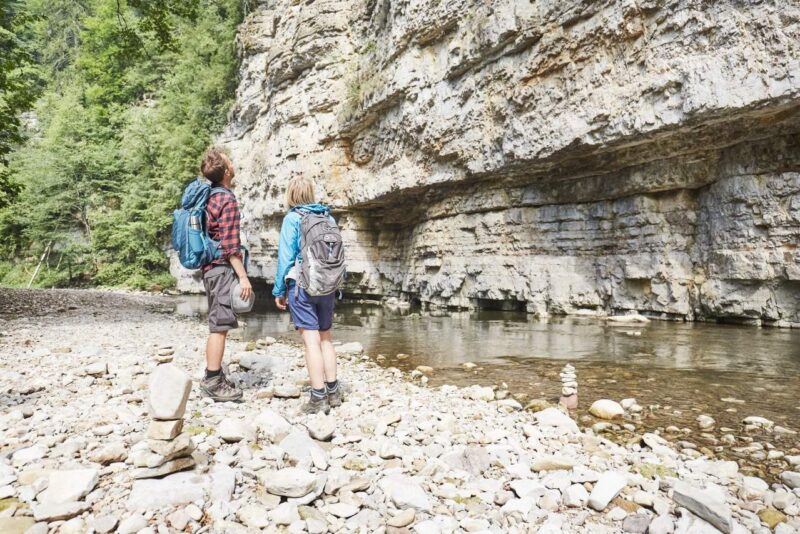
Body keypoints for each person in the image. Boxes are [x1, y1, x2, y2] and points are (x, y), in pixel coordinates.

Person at [273, 177, 342, 414]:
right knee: (326, 338)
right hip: (327, 285)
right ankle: (333, 391)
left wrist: (279, 290)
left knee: (311, 341)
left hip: (302, 284)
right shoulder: (328, 217)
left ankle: (318, 396)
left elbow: (285, 258)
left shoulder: (292, 219)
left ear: (291, 194)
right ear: (311, 193)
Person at [198, 147, 252, 402]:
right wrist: (243, 277)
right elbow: (231, 247)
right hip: (221, 268)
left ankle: (215, 374)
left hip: (209, 269)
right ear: (228, 171)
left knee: (217, 322)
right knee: (219, 326)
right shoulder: (227, 200)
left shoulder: (209, 197)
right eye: (231, 162)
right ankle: (212, 380)